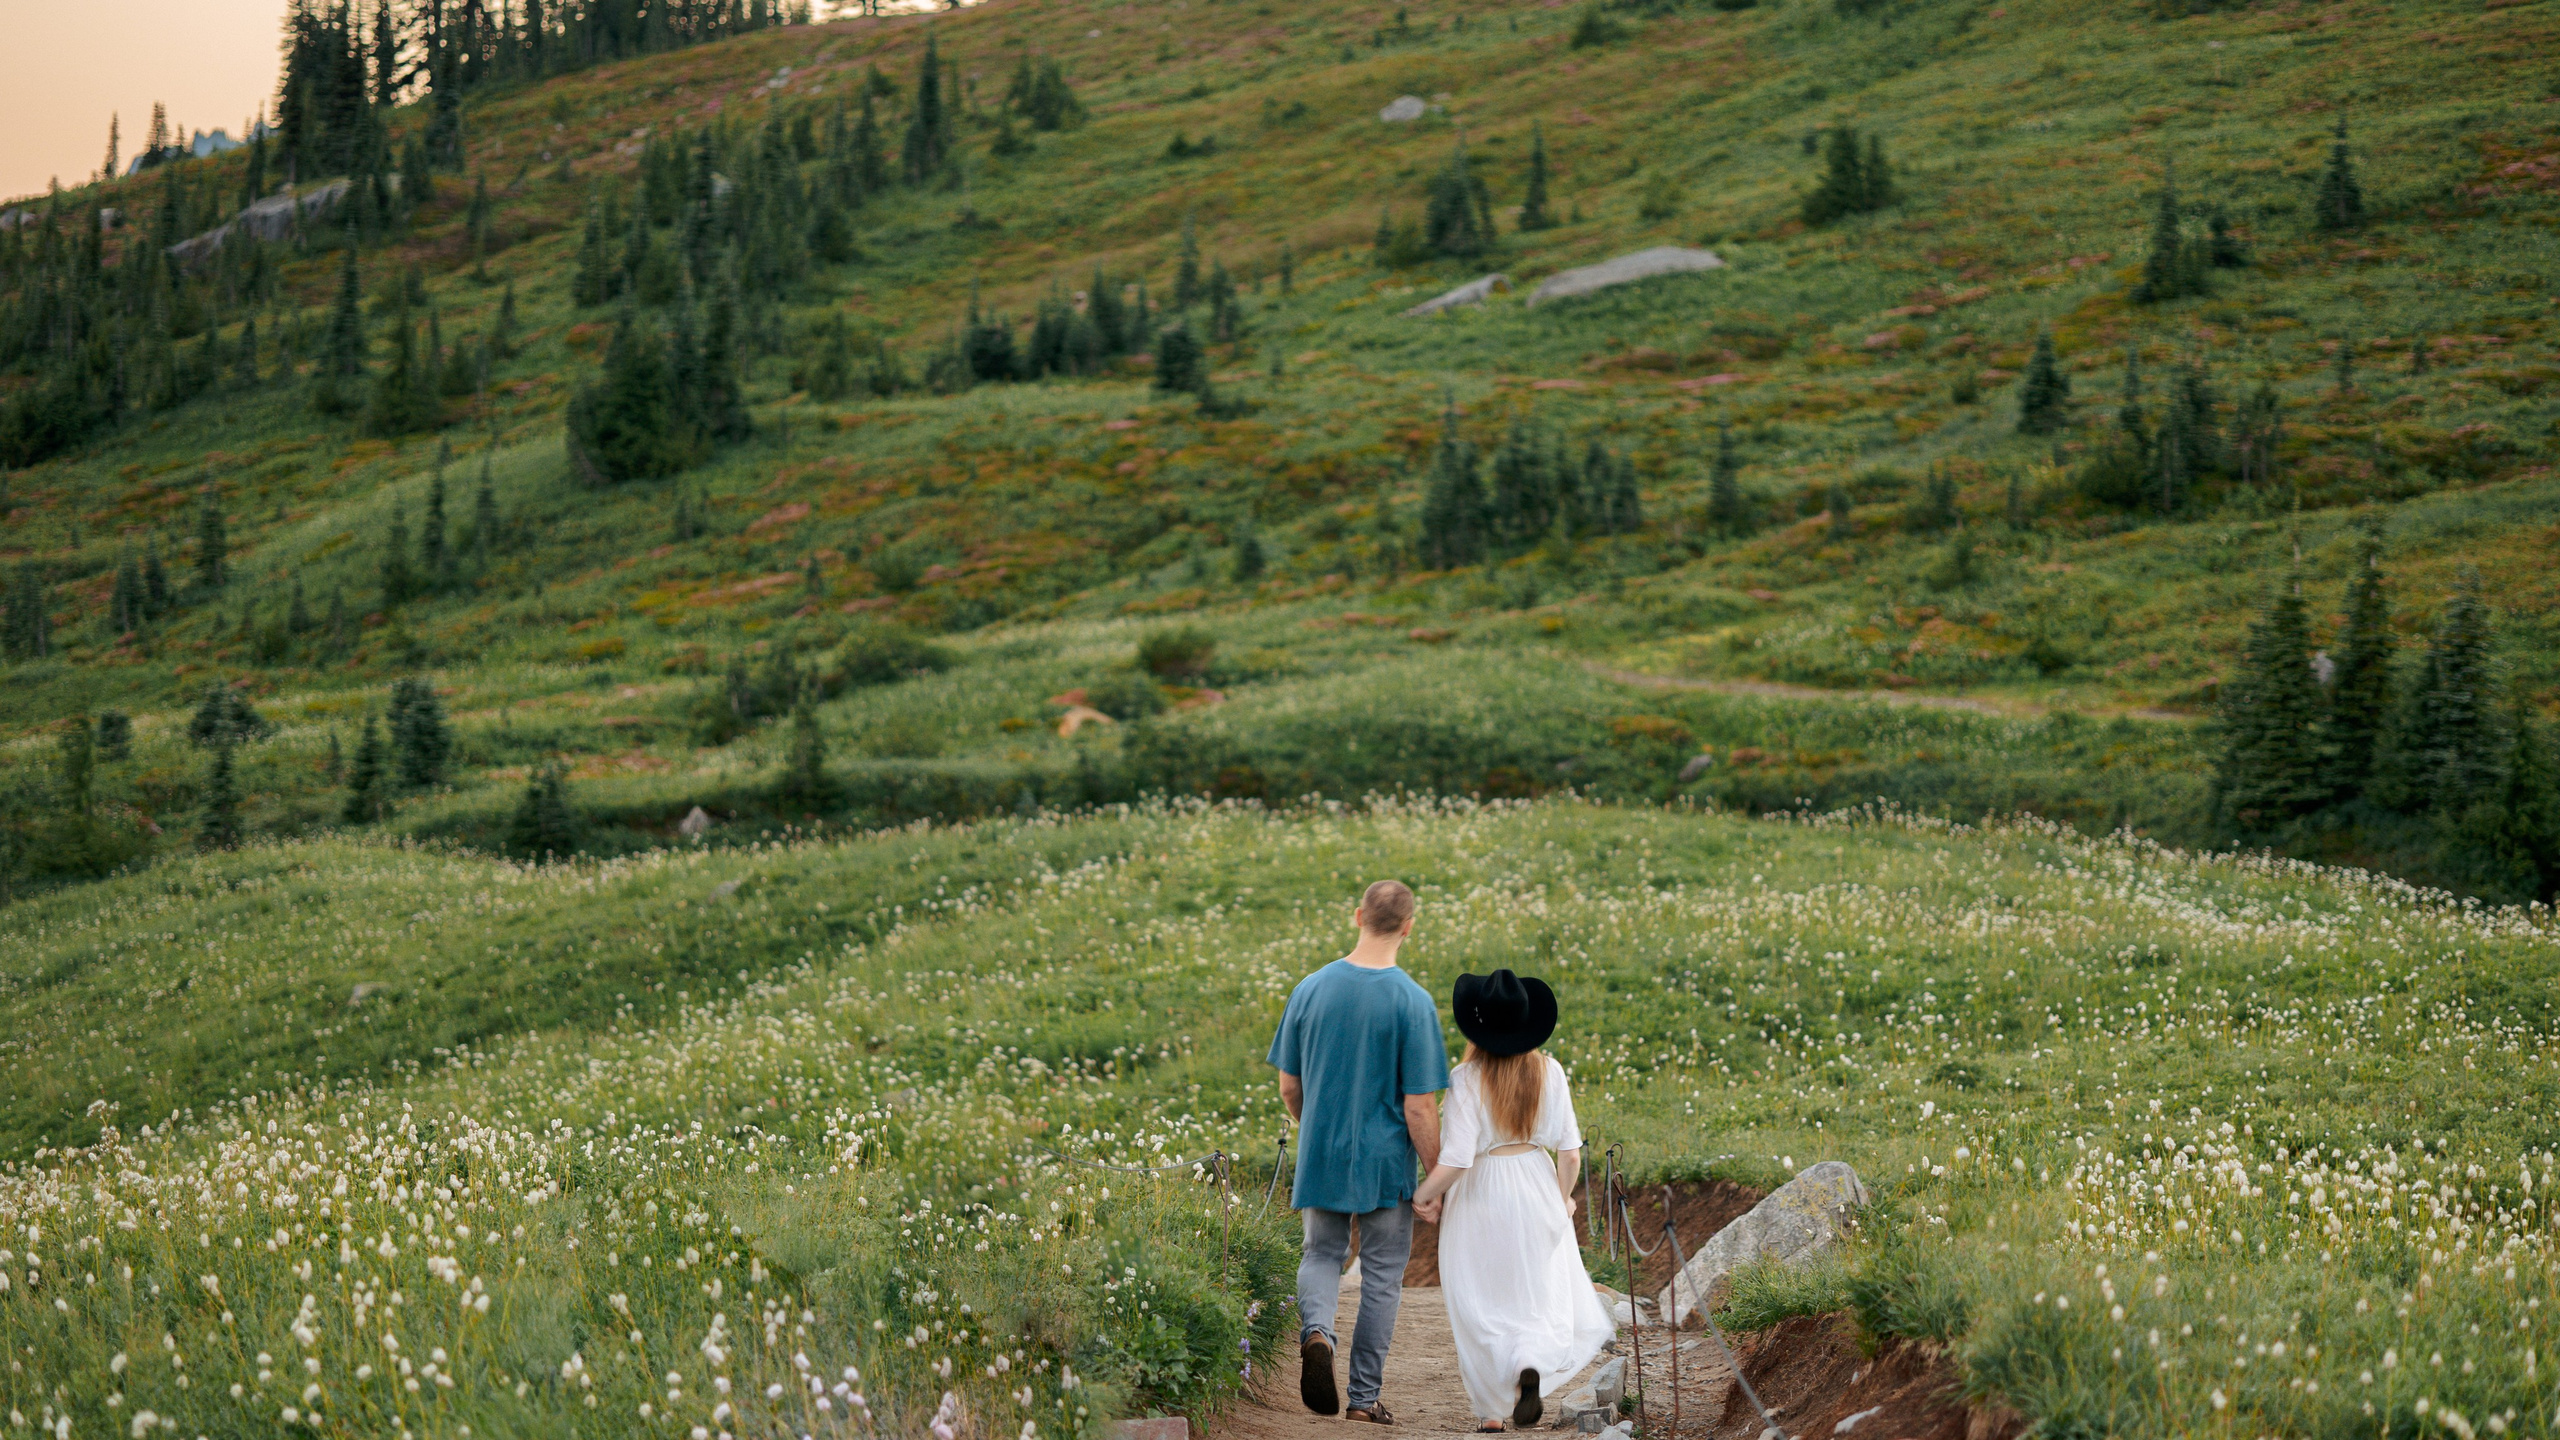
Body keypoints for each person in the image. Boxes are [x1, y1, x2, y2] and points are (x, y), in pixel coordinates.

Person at [1268, 879, 1450, 1426]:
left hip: (1322, 1151)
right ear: (1409, 927)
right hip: (1385, 1163)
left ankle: (1318, 1333)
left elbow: (1289, 1086)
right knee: (1382, 1276)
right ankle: (1364, 1401)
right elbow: (1420, 1106)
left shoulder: (1310, 989)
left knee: (1321, 1254)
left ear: (1357, 916)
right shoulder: (1413, 1002)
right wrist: (1436, 1178)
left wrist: (1317, 1129)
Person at [1410, 969, 1612, 1432]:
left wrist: (1424, 1195)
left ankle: (1491, 1412)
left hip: (1480, 1193)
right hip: (1536, 1183)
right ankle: (1529, 1366)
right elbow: (1570, 1153)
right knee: (1534, 1295)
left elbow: (1458, 1158)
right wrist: (1562, 1200)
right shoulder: (1550, 1071)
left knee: (1479, 1301)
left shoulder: (1466, 1077)